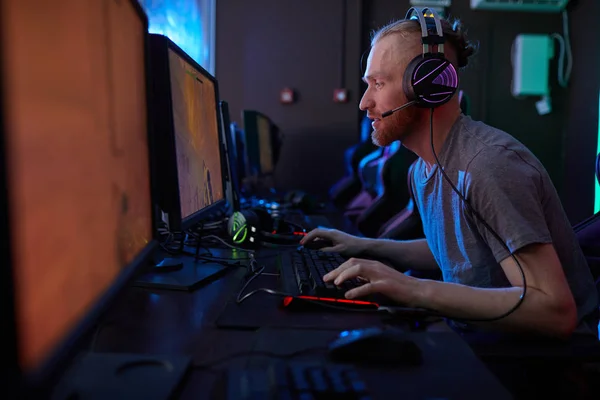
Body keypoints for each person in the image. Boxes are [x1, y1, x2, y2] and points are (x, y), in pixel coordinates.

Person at [301, 10, 599, 339]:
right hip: (479, 341)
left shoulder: (488, 166)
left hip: (538, 364)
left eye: (378, 84)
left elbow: (555, 311)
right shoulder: (422, 168)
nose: (364, 103)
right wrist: (364, 246)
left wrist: (413, 289)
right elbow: (455, 249)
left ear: (426, 86)